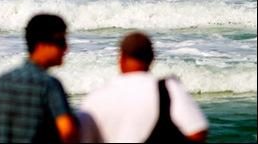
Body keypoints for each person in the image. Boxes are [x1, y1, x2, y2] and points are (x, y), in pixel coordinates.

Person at [79, 32, 209, 143]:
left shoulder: (95, 98)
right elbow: (197, 132)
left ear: (121, 58)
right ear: (152, 58)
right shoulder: (167, 90)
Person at [0, 14, 79, 143]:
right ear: (41, 45)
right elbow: (67, 130)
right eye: (60, 41)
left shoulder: (3, 81)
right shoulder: (48, 84)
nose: (66, 48)